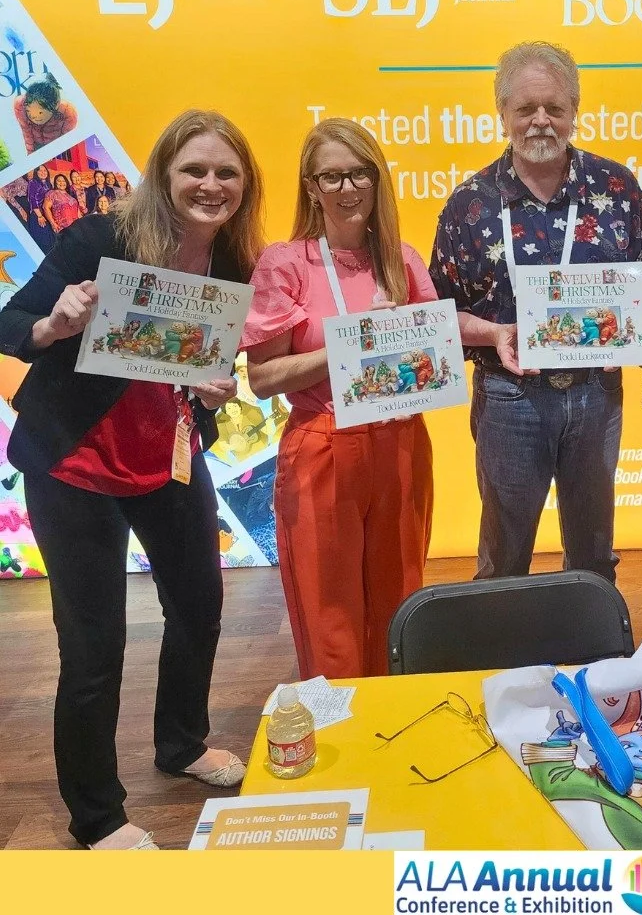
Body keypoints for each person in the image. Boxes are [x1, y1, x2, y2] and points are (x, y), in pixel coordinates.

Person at [0, 109, 265, 849]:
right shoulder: (98, 238)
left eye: (226, 173)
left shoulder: (235, 262)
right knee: (93, 646)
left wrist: (217, 390)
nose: (210, 185)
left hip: (168, 457)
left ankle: (181, 744)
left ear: (244, 186)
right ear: (163, 175)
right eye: (194, 170)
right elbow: (11, 321)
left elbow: (207, 365)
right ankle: (98, 817)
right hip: (74, 465)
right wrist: (56, 322)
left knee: (201, 607)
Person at [429, 40, 642, 581]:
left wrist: (621, 334)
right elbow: (441, 312)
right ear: (502, 114)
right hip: (508, 397)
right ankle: (502, 657)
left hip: (595, 393)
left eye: (554, 108)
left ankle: (595, 659)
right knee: (504, 552)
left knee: (595, 550)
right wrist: (494, 332)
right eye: (526, 108)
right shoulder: (470, 202)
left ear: (574, 111)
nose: (540, 121)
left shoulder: (618, 186)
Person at [242, 118, 435, 679]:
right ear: (311, 187)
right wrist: (353, 348)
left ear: (378, 181)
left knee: (402, 596)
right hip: (323, 442)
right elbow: (262, 377)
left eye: (360, 175)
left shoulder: (401, 258)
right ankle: (340, 737)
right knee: (329, 608)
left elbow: (430, 354)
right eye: (333, 177)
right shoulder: (286, 263)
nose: (348, 189)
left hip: (400, 440)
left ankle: (395, 727)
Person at [13, 71, 78, 152]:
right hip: (36, 146)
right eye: (28, 112)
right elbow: (27, 133)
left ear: (55, 106)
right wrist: (31, 153)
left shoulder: (68, 112)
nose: (33, 117)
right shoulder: (20, 106)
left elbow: (67, 141)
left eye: (40, 112)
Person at [42, 171, 83, 236]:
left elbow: (78, 212)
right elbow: (46, 208)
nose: (61, 183)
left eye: (63, 181)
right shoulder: (52, 193)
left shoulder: (71, 194)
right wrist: (53, 224)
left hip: (76, 227)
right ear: (55, 182)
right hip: (62, 229)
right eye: (59, 181)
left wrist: (82, 224)